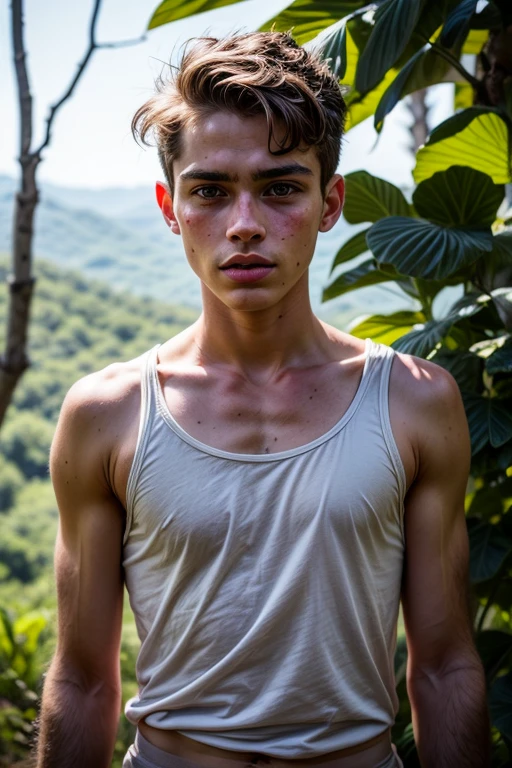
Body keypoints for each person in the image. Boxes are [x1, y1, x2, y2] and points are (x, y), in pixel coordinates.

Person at [37, 31, 490, 768]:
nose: (245, 223)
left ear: (329, 201)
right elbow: (84, 681)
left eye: (280, 187)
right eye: (210, 190)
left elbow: (443, 666)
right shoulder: (107, 413)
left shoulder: (414, 402)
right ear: (170, 206)